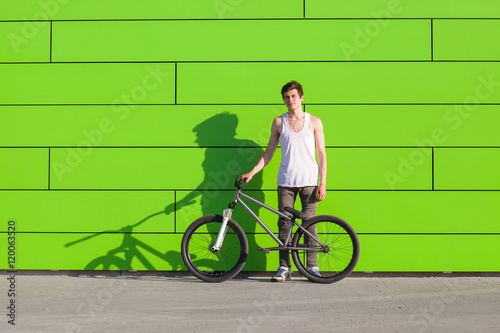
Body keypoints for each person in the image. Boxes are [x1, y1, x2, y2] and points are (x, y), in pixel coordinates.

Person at [241, 80, 327, 282]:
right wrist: (252, 172)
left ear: (301, 97)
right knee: (284, 224)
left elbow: (321, 154)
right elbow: (269, 152)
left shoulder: (314, 122)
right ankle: (284, 267)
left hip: (309, 181)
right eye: (287, 97)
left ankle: (312, 266)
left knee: (309, 225)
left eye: (294, 96)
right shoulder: (279, 122)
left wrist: (323, 183)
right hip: (286, 181)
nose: (290, 100)